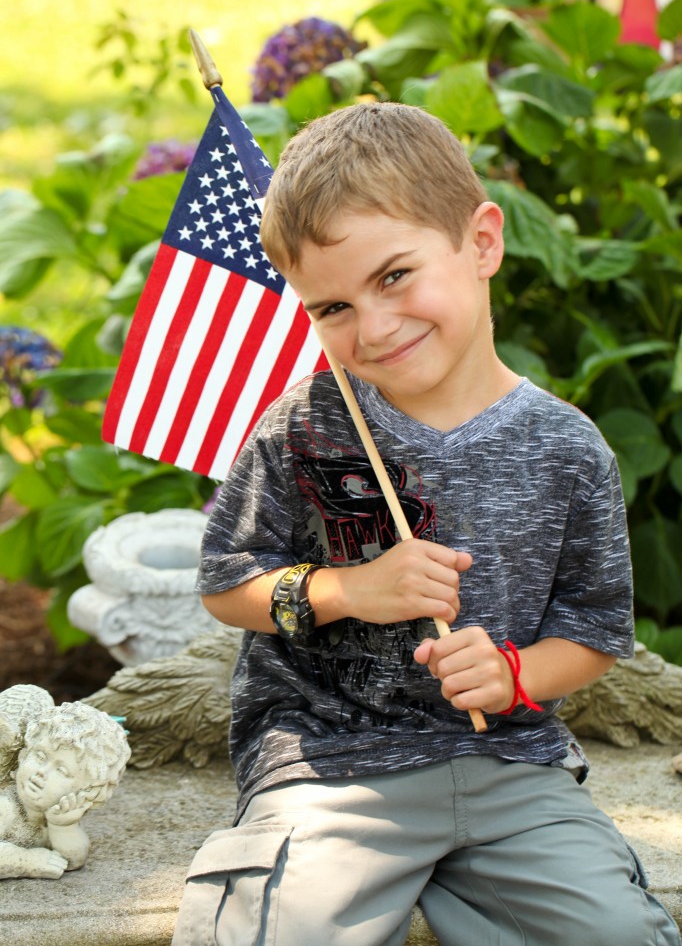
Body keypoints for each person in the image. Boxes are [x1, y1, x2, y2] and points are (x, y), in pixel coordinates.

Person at [172, 102, 681, 946]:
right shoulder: (306, 425)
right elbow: (228, 583)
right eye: (330, 308)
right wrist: (346, 590)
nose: (371, 328)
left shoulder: (569, 450)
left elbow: (593, 633)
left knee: (616, 931)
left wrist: (516, 676)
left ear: (482, 242)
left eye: (395, 276)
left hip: (511, 767)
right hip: (329, 769)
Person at [0, 700, 130, 879]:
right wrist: (25, 861)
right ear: (24, 755)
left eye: (61, 770)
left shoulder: (55, 814)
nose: (41, 772)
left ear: (88, 790)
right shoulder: (6, 807)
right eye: (40, 756)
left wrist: (62, 827)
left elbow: (72, 860)